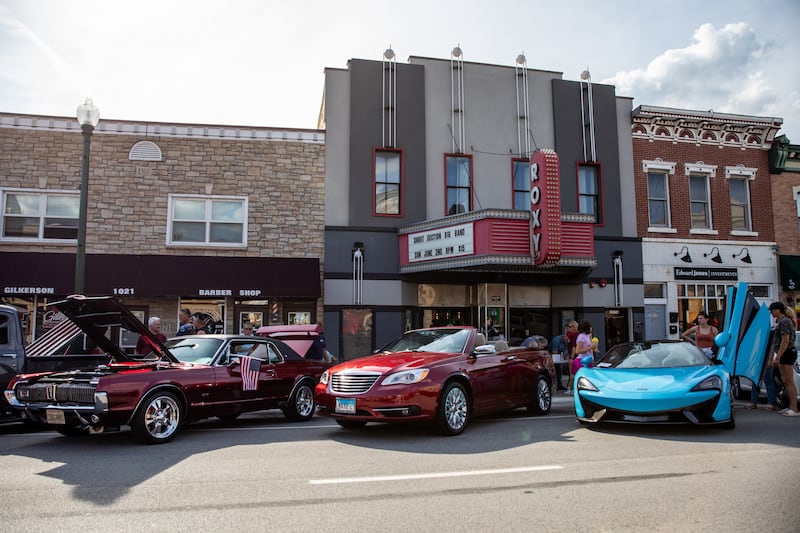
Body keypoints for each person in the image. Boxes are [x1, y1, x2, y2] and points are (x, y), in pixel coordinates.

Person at [768, 302, 799, 416]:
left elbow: (785, 340)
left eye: (772, 310)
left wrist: (778, 356)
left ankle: (794, 408)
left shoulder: (785, 321)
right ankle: (789, 406)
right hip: (783, 353)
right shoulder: (779, 322)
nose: (771, 312)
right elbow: (775, 342)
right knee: (785, 381)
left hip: (787, 353)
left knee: (789, 381)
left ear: (777, 310)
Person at [564, 320, 580, 395]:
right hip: (573, 356)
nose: (568, 328)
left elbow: (574, 347)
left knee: (572, 374)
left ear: (574, 327)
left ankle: (571, 388)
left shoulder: (575, 336)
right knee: (572, 374)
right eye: (568, 326)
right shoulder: (571, 336)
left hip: (574, 357)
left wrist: (571, 357)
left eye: (570, 326)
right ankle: (571, 388)